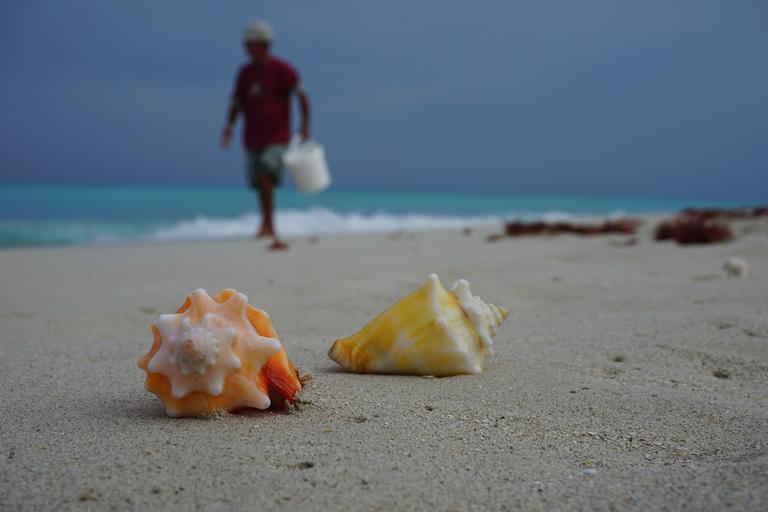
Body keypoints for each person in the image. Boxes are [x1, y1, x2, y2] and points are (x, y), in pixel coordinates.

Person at [220, 21, 311, 250]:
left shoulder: (283, 70)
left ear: (264, 44)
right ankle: (267, 222)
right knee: (258, 183)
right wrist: (229, 128)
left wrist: (305, 126)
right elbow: (236, 103)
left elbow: (302, 96)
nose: (248, 48)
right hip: (252, 137)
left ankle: (268, 225)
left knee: (265, 174)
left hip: (277, 136)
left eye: (252, 44)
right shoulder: (245, 73)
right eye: (246, 44)